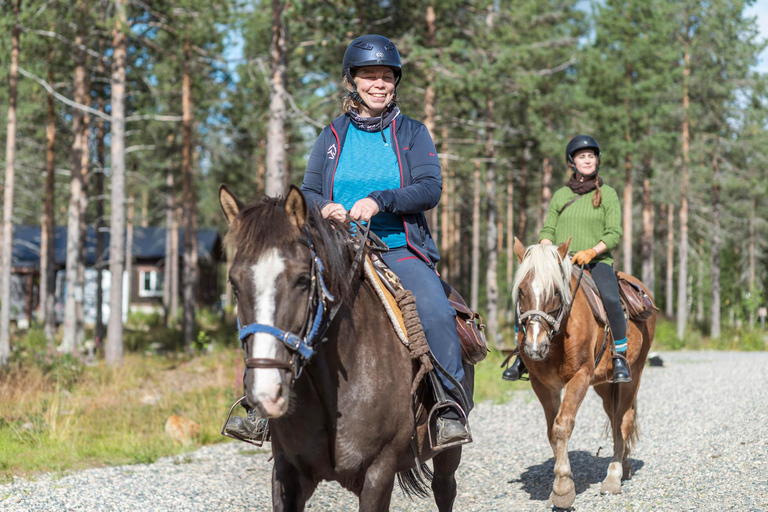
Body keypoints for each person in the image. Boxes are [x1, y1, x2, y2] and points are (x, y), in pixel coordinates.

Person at [300, 34, 469, 445]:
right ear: (352, 81)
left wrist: (381, 200)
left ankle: (449, 408)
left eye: (386, 76)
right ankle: (262, 407)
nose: (378, 84)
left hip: (398, 249)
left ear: (396, 81)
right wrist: (323, 207)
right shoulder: (331, 137)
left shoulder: (412, 133)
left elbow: (430, 188)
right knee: (280, 297)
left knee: (436, 313)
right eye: (368, 76)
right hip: (337, 249)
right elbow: (308, 191)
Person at [502, 135, 631, 383]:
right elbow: (548, 230)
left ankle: (619, 357)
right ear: (572, 162)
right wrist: (546, 252)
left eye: (591, 156)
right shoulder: (561, 194)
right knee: (528, 297)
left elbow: (614, 233)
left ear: (597, 161)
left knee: (612, 300)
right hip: (561, 263)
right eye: (582, 156)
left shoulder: (608, 194)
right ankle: (522, 355)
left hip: (596, 262)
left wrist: (592, 251)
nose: (587, 160)